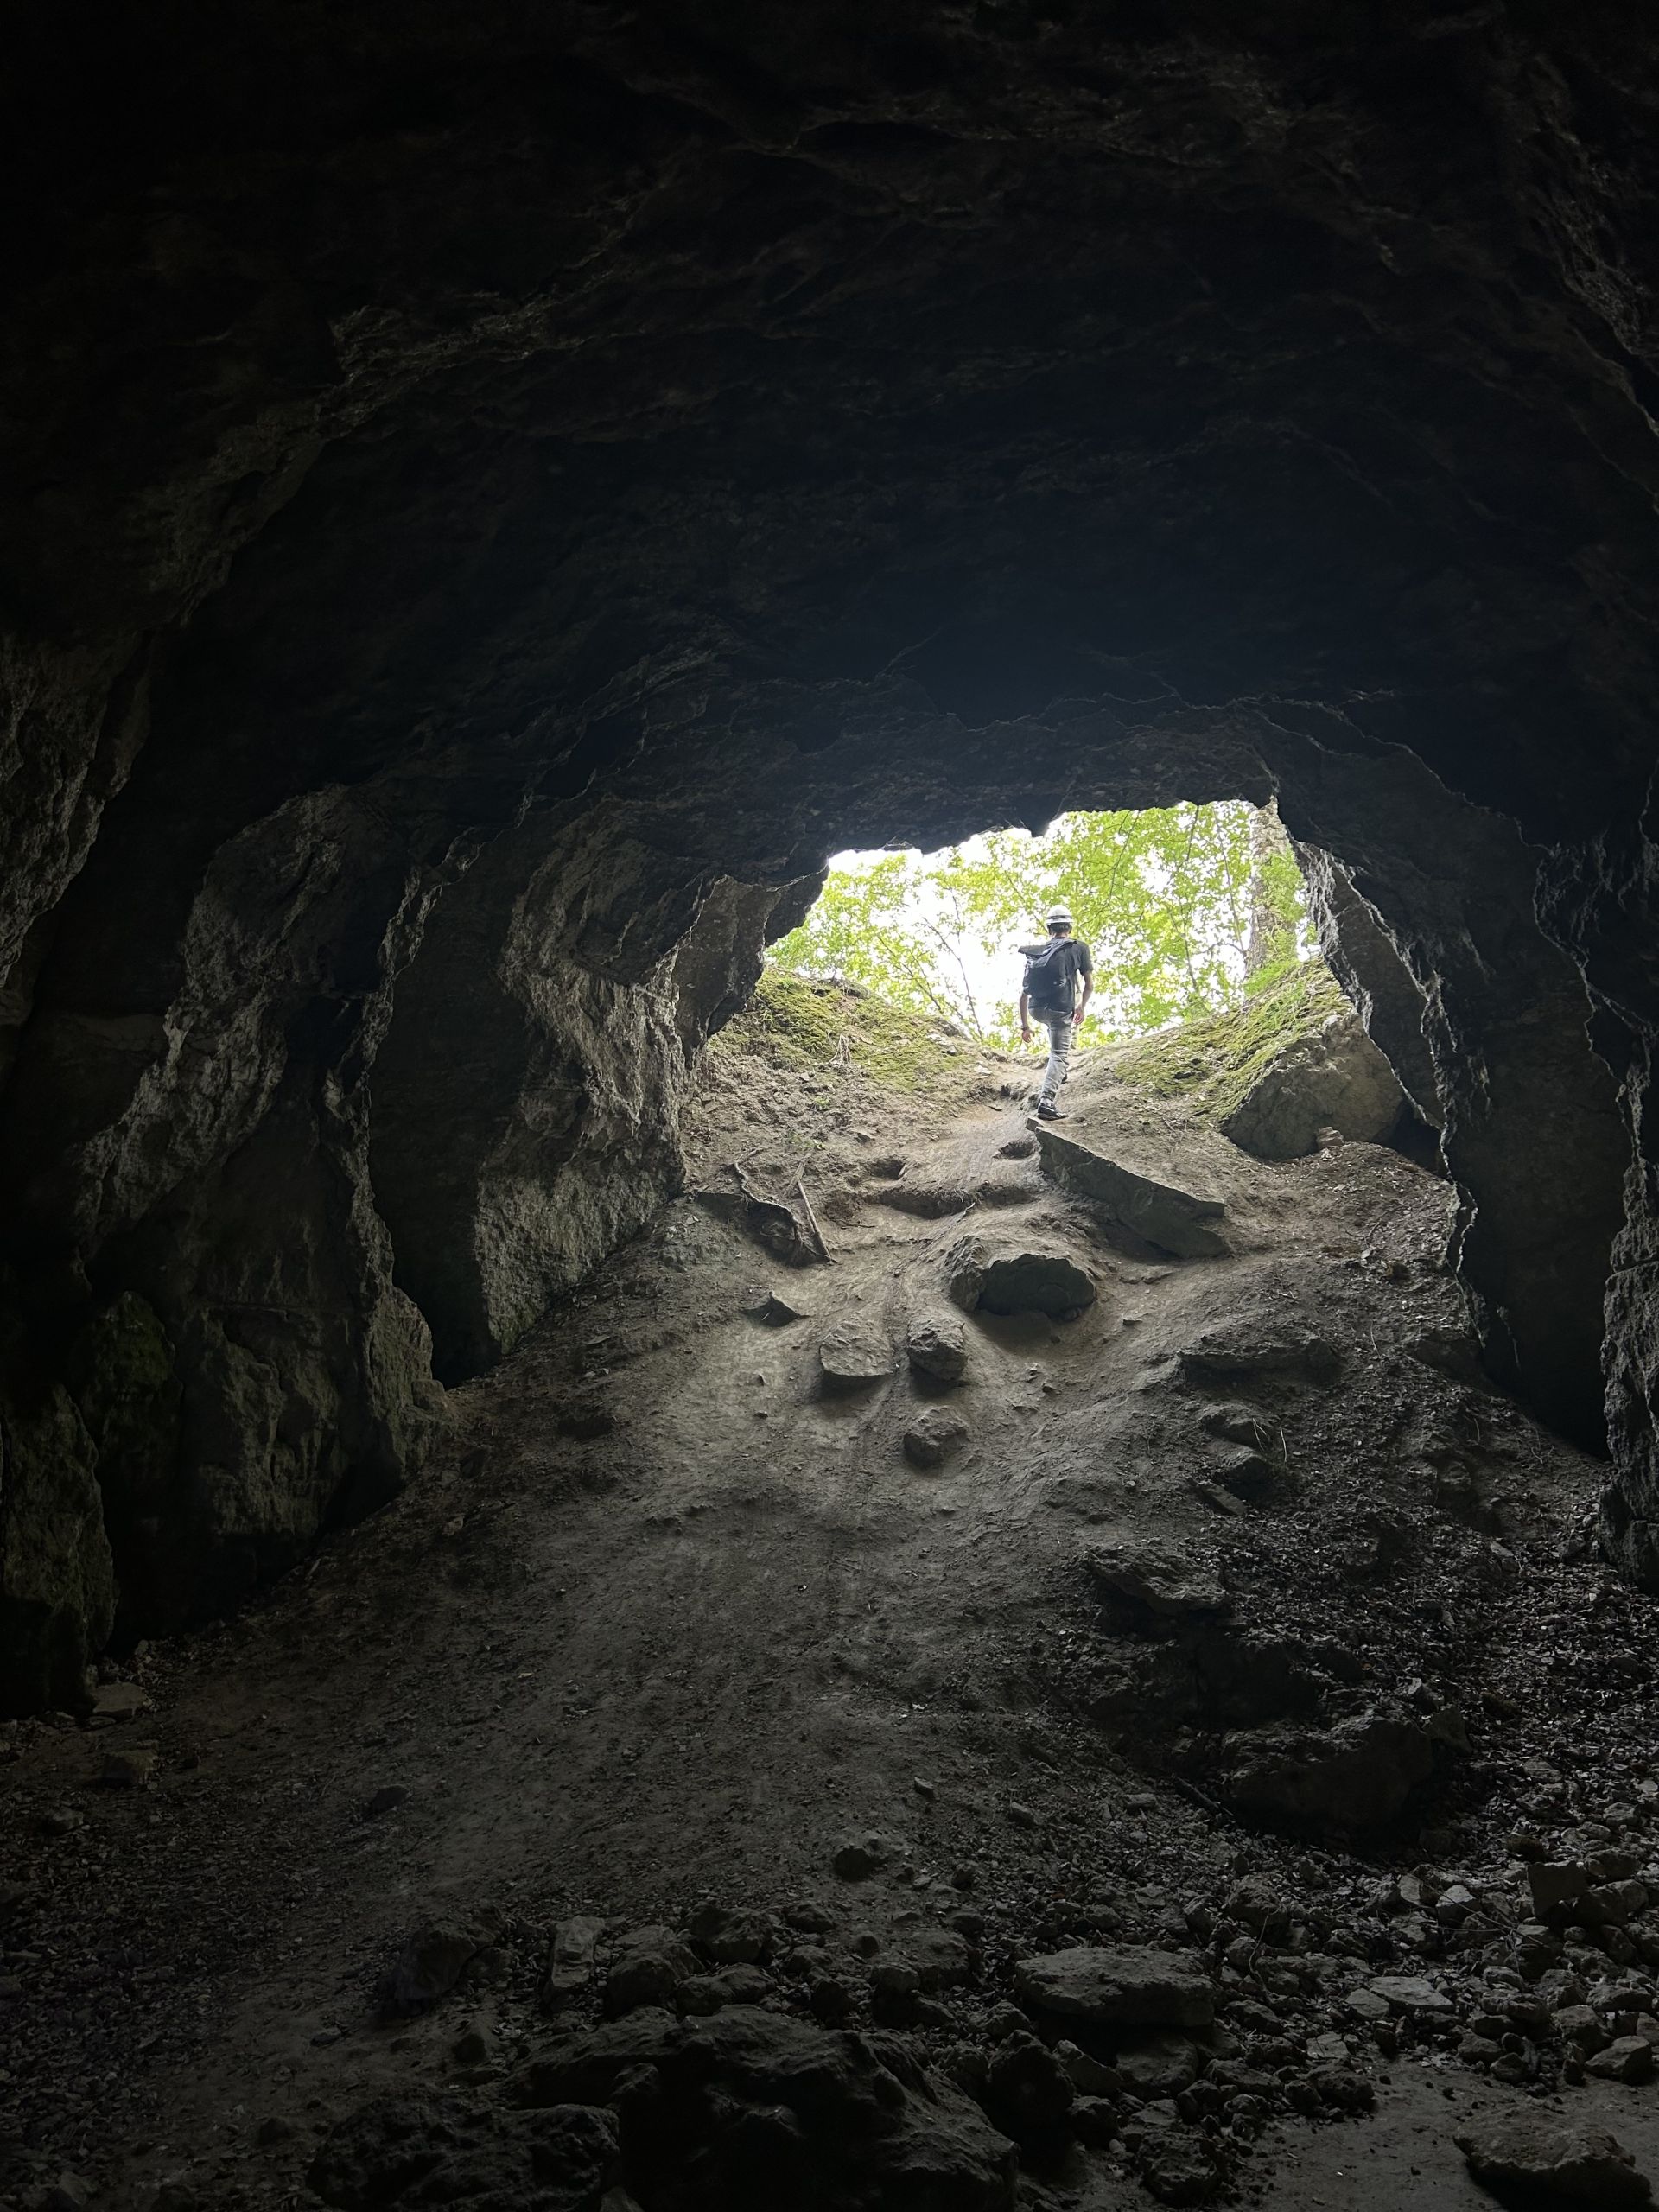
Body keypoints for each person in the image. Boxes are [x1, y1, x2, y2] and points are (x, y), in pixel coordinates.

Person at [1019, 905, 1093, 1120]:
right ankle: (1047, 1101)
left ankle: (1059, 1074)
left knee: (1054, 1036)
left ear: (1049, 928)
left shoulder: (1039, 951)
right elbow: (1089, 985)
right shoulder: (1079, 948)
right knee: (1060, 1054)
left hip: (1035, 1009)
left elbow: (1023, 994)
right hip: (1061, 1009)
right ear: (1069, 926)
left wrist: (1025, 1026)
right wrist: (1081, 1007)